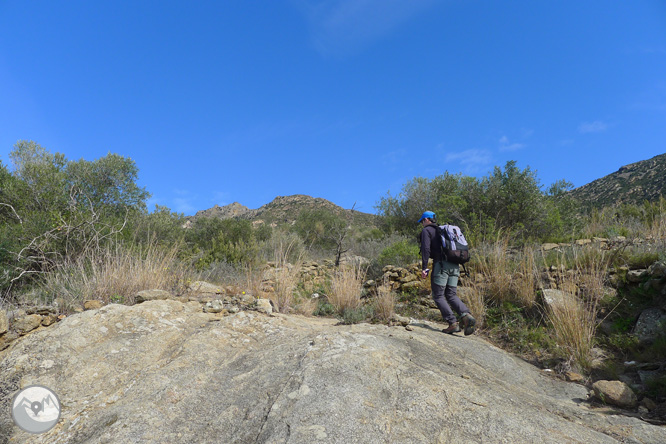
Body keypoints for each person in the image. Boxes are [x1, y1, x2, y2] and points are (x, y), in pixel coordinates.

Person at [418, 211, 476, 335]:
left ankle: (452, 323)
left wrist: (424, 267)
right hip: (455, 265)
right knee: (451, 294)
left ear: (427, 220)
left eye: (422, 221)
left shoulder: (427, 231)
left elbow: (426, 249)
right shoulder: (442, 231)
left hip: (441, 266)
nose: (422, 224)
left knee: (438, 295)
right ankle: (466, 315)